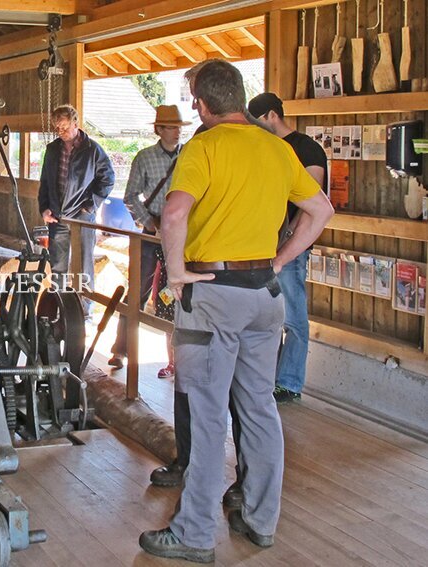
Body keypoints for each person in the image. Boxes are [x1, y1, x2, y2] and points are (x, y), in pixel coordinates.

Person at [138, 60, 333, 563]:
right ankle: (260, 520)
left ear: (202, 105)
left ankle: (195, 534)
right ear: (242, 99)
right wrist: (281, 259)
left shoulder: (204, 146)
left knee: (206, 417)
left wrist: (177, 275)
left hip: (213, 294)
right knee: (260, 411)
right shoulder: (276, 147)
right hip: (264, 296)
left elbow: (175, 212)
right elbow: (321, 211)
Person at [248, 92, 328, 403]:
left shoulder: (306, 148)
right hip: (264, 242)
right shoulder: (268, 148)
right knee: (268, 316)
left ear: (270, 116)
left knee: (293, 317)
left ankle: (289, 381)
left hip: (290, 245)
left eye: (256, 121)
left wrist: (290, 236)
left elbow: (312, 200)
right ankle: (268, 376)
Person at [108, 105, 191, 377]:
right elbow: (131, 196)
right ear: (159, 129)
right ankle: (121, 349)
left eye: (179, 127)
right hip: (153, 228)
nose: (177, 132)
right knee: (138, 290)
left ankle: (182, 357)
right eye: (171, 127)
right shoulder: (145, 158)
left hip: (182, 231)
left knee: (180, 291)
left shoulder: (190, 156)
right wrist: (150, 223)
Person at [38, 104, 115, 313]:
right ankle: (59, 309)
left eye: (64, 127)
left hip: (82, 218)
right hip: (57, 217)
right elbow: (45, 181)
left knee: (84, 267)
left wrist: (90, 206)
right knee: (58, 267)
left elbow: (108, 179)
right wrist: (44, 208)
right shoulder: (53, 149)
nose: (61, 132)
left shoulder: (92, 150)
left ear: (75, 123)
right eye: (57, 128)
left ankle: (84, 310)